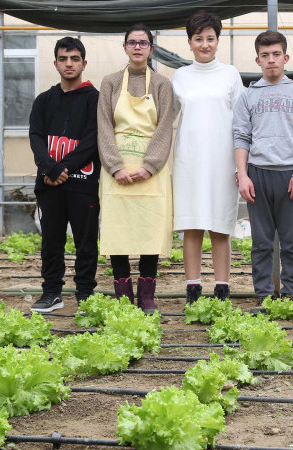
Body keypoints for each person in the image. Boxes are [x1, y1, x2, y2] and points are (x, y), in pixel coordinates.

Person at [233, 31, 293, 310]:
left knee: (291, 241)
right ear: (257, 60)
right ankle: (264, 295)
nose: (271, 61)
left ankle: (291, 293)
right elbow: (241, 137)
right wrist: (243, 175)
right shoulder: (248, 96)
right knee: (261, 242)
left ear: (285, 57)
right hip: (258, 174)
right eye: (265, 56)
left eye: (276, 54)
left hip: (290, 174)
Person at [97, 24, 174, 314]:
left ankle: (147, 296)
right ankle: (123, 295)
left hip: (151, 171)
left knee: (149, 231)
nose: (138, 47)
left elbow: (165, 126)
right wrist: (115, 166)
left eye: (143, 43)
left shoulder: (162, 84)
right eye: (132, 42)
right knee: (118, 233)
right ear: (125, 47)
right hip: (116, 168)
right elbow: (104, 125)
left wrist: (150, 166)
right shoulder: (111, 82)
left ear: (151, 48)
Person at [172, 11, 243, 304]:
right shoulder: (180, 77)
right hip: (189, 161)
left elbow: (241, 122)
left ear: (218, 40)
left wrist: (241, 166)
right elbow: (167, 119)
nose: (205, 44)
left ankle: (222, 287)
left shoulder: (231, 74)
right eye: (198, 39)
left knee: (220, 225)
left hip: (222, 162)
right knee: (192, 224)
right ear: (189, 43)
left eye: (210, 39)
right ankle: (193, 287)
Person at [29, 37, 100, 313]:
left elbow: (92, 141)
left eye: (74, 58)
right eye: (63, 58)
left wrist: (64, 168)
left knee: (86, 241)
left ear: (84, 62)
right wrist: (50, 168)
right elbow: (35, 136)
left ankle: (85, 293)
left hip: (83, 184)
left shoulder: (94, 99)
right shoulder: (44, 100)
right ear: (55, 63)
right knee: (51, 241)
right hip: (49, 185)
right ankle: (51, 293)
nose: (69, 63)